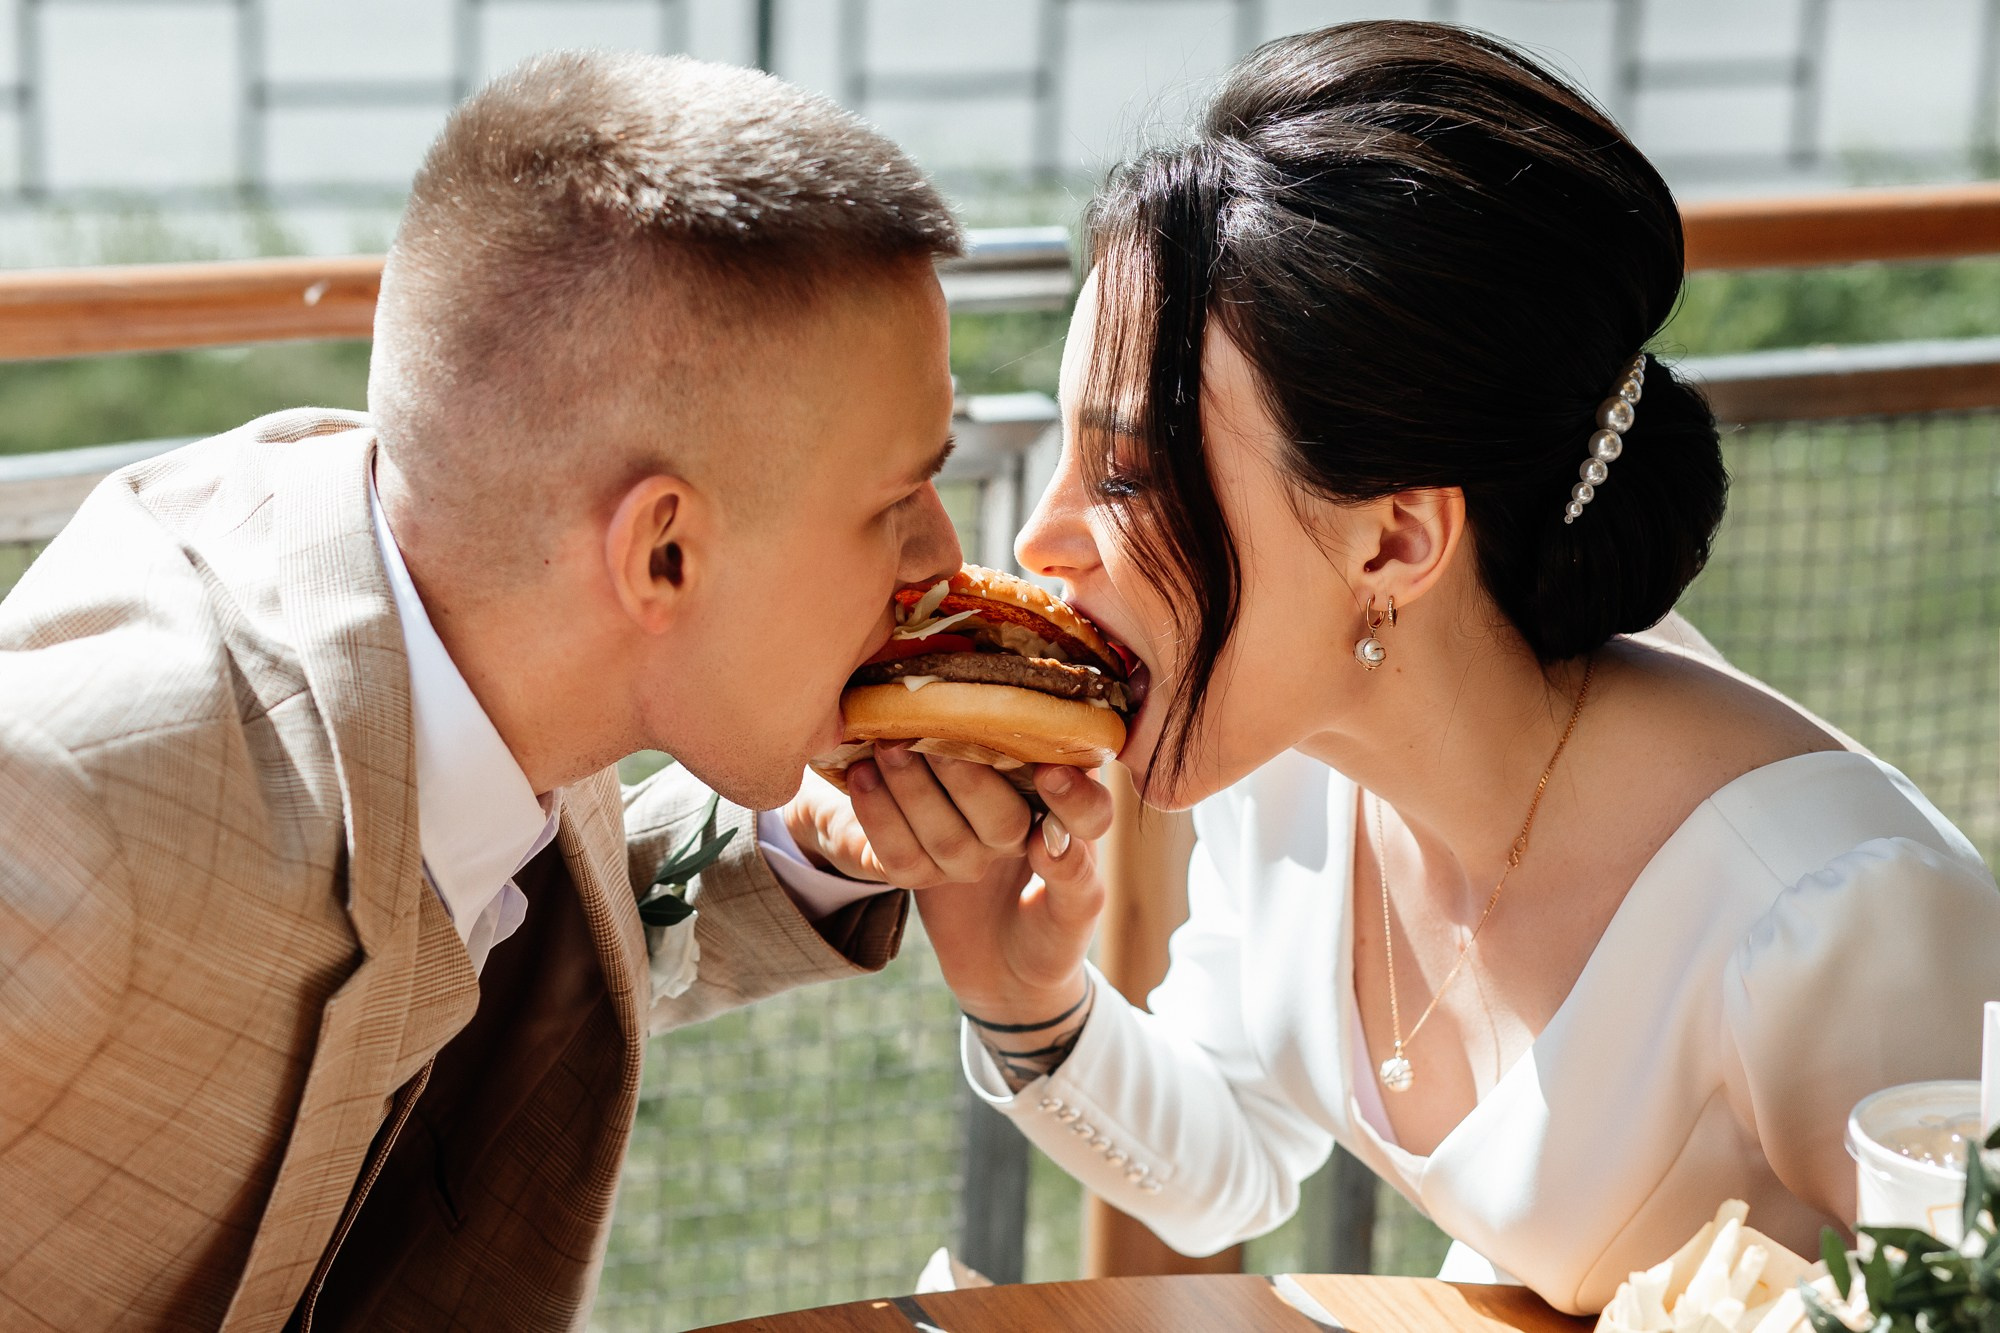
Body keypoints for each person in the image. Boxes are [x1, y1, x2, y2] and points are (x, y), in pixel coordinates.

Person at [835, 21, 2000, 1316]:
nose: (1039, 544)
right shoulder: (1294, 764)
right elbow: (1230, 1165)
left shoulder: (1840, 921)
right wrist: (1022, 989)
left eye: (1125, 475)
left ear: (1396, 538)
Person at [0, 50, 1103, 1330]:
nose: (934, 566)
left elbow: (490, 924)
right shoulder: (78, 801)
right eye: (892, 501)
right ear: (662, 552)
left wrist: (820, 840)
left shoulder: (485, 624)